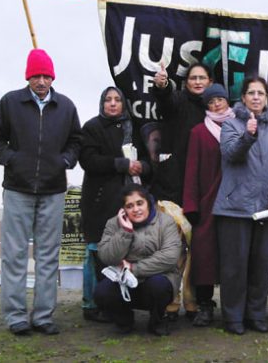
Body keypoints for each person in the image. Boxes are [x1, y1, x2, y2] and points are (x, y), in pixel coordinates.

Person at [0, 49, 82, 336]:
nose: (41, 81)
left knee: (48, 255)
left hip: (53, 191)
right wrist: (10, 159)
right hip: (17, 189)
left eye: (46, 75)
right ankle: (15, 316)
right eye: (36, 75)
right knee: (14, 254)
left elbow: (76, 141)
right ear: (28, 76)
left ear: (53, 77)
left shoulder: (66, 107)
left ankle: (43, 315)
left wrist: (65, 161)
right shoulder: (10, 102)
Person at [212, 76, 268, 335]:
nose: (256, 97)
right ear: (243, 97)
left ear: (267, 98)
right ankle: (233, 318)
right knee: (234, 268)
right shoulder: (231, 124)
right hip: (235, 208)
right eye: (251, 93)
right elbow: (231, 154)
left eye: (261, 93)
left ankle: (256, 315)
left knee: (260, 266)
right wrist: (248, 135)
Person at [79, 86, 150, 322]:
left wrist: (142, 166)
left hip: (129, 203)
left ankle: (117, 303)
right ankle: (91, 304)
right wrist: (121, 165)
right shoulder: (91, 128)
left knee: (123, 255)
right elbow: (88, 161)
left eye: (117, 100)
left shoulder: (135, 129)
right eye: (108, 100)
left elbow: (149, 162)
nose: (112, 103)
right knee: (95, 254)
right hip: (99, 202)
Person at [151, 62, 213, 319]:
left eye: (202, 78)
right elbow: (165, 103)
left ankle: (199, 303)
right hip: (175, 186)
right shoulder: (178, 102)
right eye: (193, 78)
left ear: (210, 82)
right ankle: (170, 302)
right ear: (186, 82)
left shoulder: (217, 108)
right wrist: (162, 86)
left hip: (206, 188)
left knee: (203, 250)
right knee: (173, 249)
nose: (197, 82)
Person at [94, 184, 182, 336]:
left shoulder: (166, 222)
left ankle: (158, 321)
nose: (136, 209)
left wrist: (133, 268)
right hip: (124, 282)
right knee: (102, 292)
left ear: (148, 202)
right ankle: (124, 322)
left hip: (157, 279)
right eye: (129, 206)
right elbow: (107, 256)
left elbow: (170, 257)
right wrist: (125, 232)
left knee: (158, 285)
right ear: (123, 209)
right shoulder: (113, 223)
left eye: (140, 203)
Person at [182, 84, 234, 327]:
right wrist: (191, 205)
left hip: (236, 202)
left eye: (220, 100)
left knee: (234, 255)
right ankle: (205, 305)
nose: (216, 105)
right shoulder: (198, 132)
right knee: (204, 256)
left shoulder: (240, 126)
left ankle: (234, 306)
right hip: (208, 202)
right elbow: (191, 171)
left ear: (227, 101)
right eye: (211, 101)